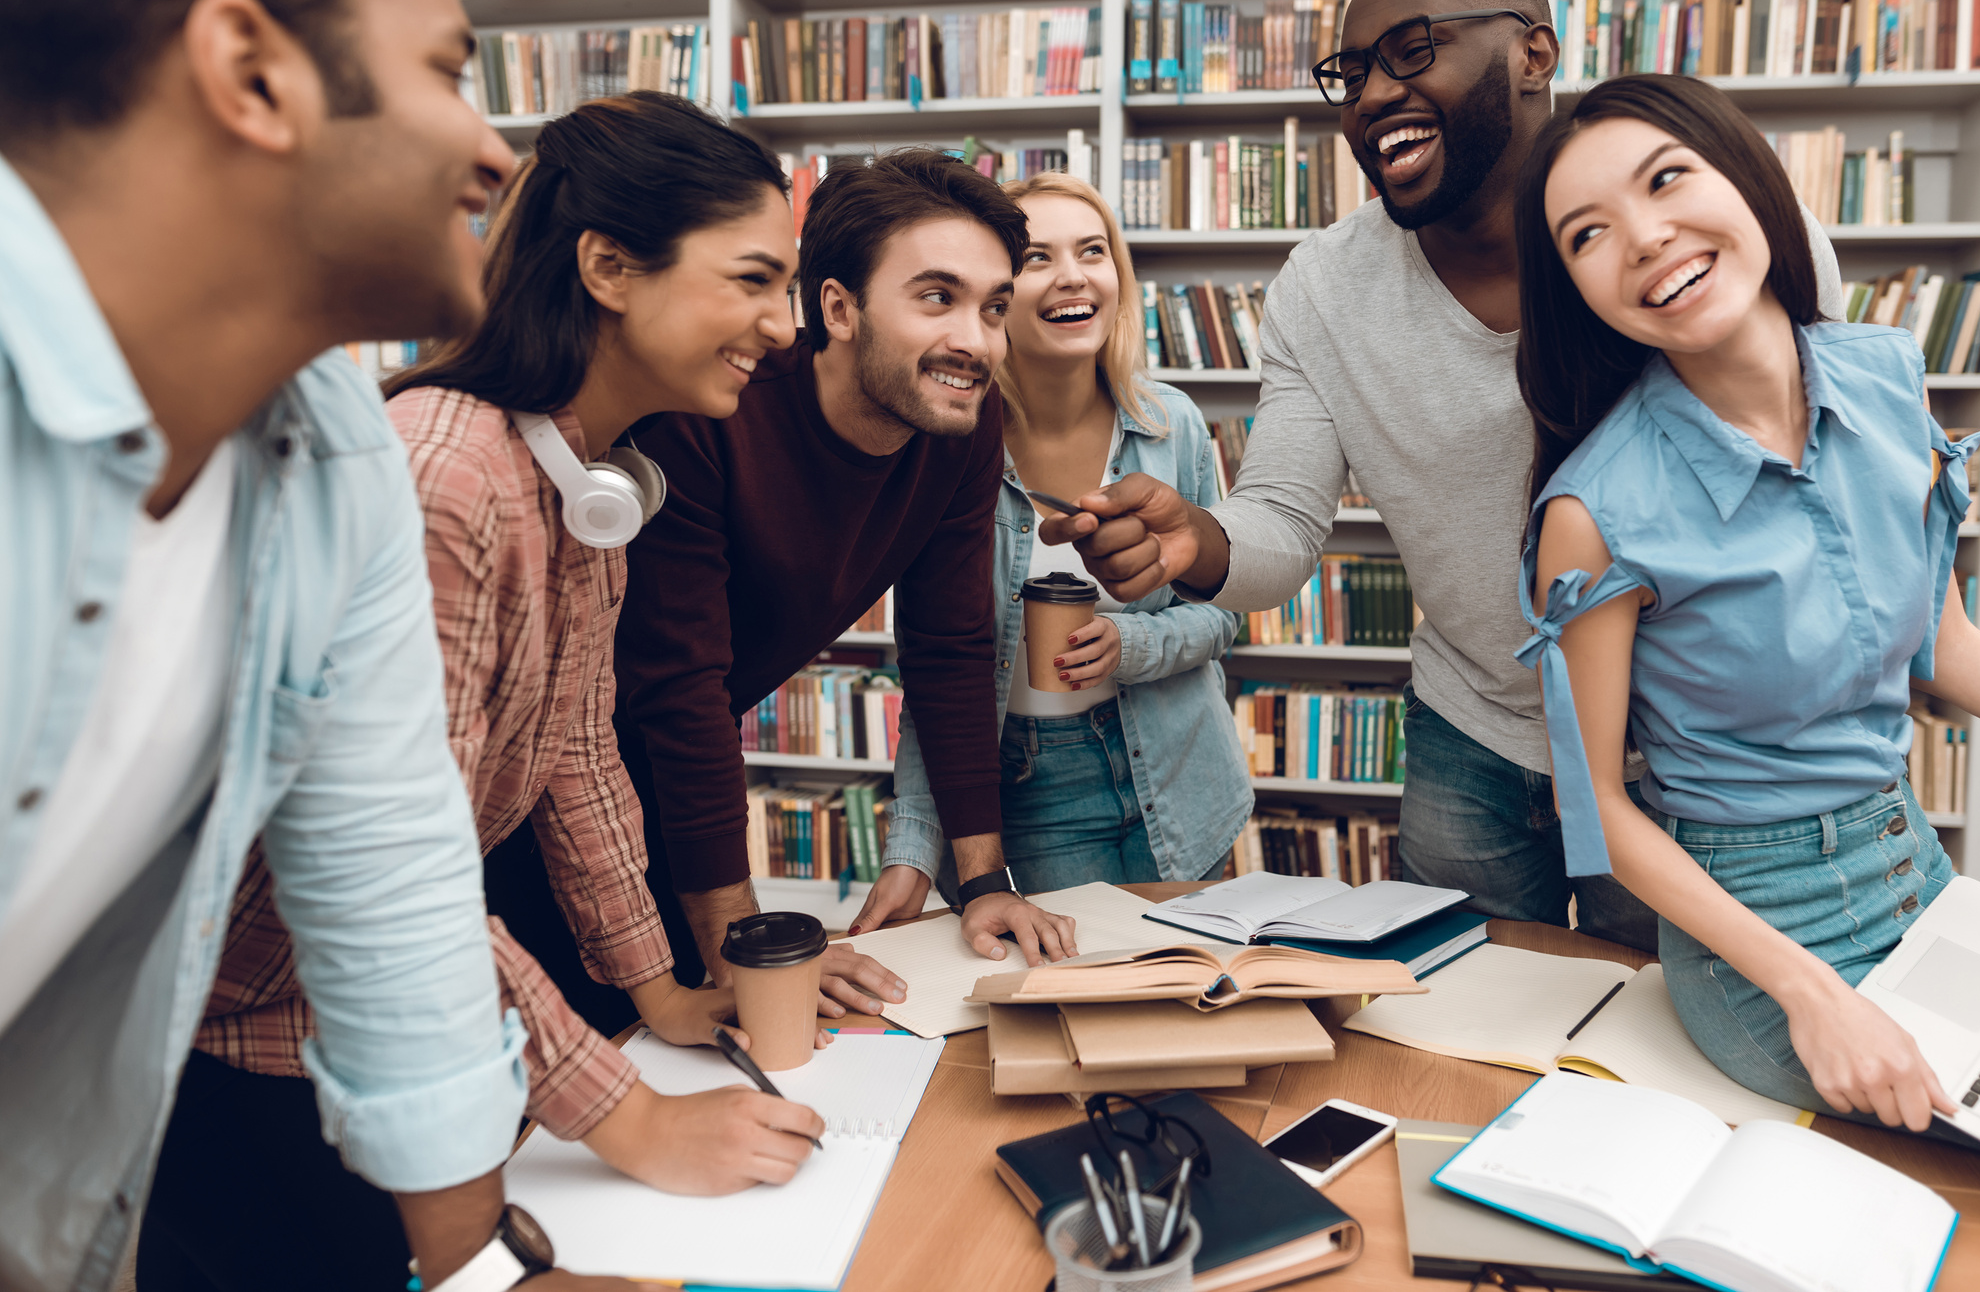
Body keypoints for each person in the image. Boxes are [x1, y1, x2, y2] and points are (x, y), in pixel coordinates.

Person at [0, 0, 634, 1289]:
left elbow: (390, 887)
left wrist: (480, 1277)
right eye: (444, 71)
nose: (493, 152)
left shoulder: (335, 444)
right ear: (252, 71)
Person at [150, 94, 895, 1289]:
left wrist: (657, 990)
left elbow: (579, 755)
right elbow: (399, 873)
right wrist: (628, 1116)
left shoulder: (586, 476)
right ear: (607, 265)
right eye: (755, 278)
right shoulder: (449, 475)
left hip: (379, 1033)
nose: (786, 324)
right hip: (259, 1045)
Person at [1514, 72, 1980, 1287]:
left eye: (1667, 179)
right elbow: (1604, 819)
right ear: (1576, 289)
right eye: (1589, 235)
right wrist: (1811, 995)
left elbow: (1950, 651)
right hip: (1756, 941)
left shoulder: (1886, 376)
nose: (1646, 240)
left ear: (1747, 177)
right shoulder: (1595, 509)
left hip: (1919, 878)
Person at [1036, 0, 1841, 952]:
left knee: (1675, 1035)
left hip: (1692, 750)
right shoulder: (1322, 291)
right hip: (1473, 740)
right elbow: (1282, 525)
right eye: (1352, 73)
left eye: (1411, 51)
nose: (1374, 95)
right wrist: (1191, 544)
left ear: (1534, 53)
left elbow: (1813, 487)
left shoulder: (1701, 241)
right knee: (1463, 1028)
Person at [496, 149, 1075, 1038]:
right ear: (838, 308)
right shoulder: (708, 411)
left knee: (670, 1046)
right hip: (547, 786)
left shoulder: (962, 417)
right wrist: (744, 944)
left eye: (994, 307)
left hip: (639, 778)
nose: (979, 340)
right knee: (567, 1057)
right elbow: (680, 691)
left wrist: (985, 882)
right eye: (936, 298)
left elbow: (952, 645)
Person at [865, 174, 1254, 903]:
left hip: (1183, 777)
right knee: (1070, 1000)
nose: (1073, 276)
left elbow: (1224, 610)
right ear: (996, 296)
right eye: (1038, 257)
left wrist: (1129, 649)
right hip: (1030, 794)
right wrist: (914, 845)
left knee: (1183, 998)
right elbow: (938, 668)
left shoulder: (1173, 426)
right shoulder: (945, 448)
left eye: (1093, 251)